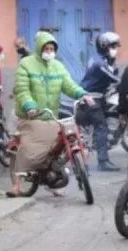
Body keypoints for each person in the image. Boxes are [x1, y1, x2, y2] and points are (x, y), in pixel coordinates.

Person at [9, 32, 91, 197]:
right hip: (31, 116)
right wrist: (30, 106)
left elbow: (69, 85)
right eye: (46, 48)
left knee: (61, 143)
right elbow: (22, 90)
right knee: (28, 148)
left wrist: (82, 94)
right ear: (39, 48)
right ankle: (17, 185)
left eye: (52, 49)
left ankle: (55, 178)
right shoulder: (26, 64)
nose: (49, 52)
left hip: (50, 116)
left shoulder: (58, 66)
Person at [79, 31, 122, 171]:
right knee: (101, 126)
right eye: (113, 46)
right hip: (91, 98)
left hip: (97, 97)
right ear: (104, 46)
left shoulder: (102, 60)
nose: (116, 50)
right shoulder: (100, 64)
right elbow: (115, 79)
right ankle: (103, 161)